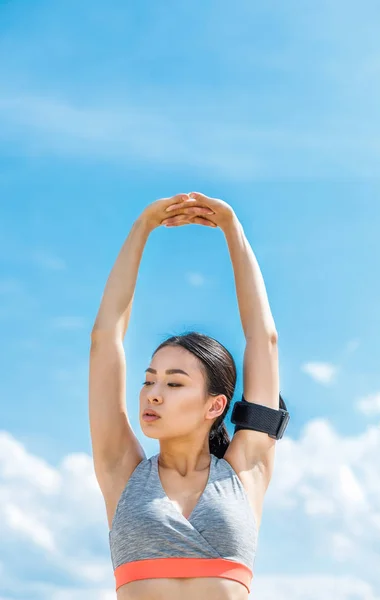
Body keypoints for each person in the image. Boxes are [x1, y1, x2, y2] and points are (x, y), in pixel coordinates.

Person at [89, 192, 285, 600]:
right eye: (149, 380)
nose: (153, 395)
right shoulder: (121, 471)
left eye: (174, 383)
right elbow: (105, 339)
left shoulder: (244, 473)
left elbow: (263, 340)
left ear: (216, 405)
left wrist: (233, 229)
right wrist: (141, 228)